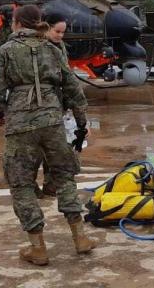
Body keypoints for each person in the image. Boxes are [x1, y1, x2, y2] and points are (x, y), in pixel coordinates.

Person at [0, 5, 95, 265]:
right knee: (64, 175)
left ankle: (38, 248)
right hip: (52, 120)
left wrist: (0, 115)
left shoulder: (6, 51)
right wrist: (81, 123)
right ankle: (80, 237)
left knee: (21, 183)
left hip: (20, 124)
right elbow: (72, 87)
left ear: (16, 23)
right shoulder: (53, 48)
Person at [38, 12, 87, 197]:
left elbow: (66, 78)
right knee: (48, 149)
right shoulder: (41, 48)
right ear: (46, 27)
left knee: (58, 148)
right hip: (44, 106)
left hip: (58, 104)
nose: (60, 35)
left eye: (63, 32)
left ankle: (51, 185)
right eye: (57, 31)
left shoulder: (60, 47)